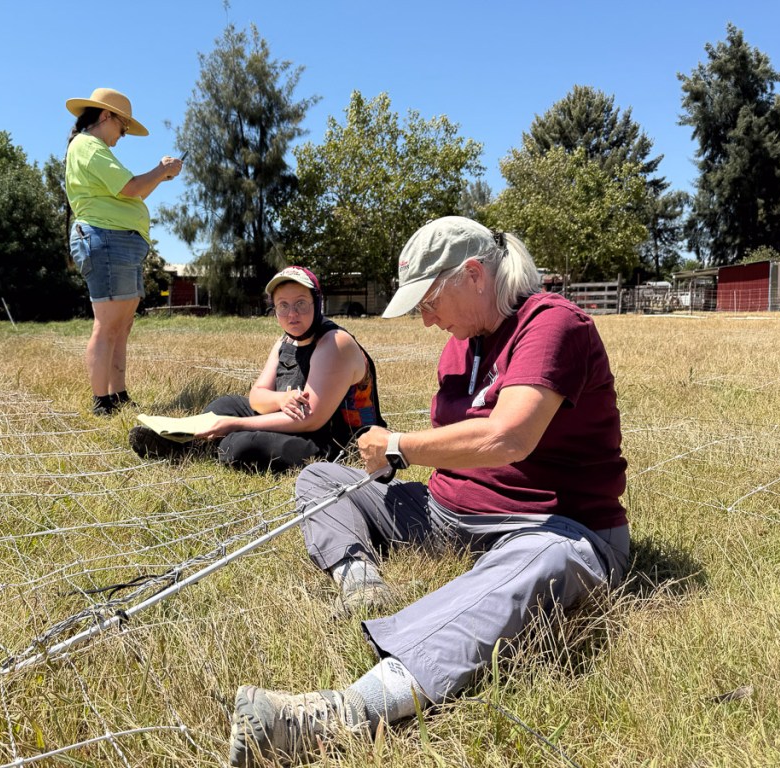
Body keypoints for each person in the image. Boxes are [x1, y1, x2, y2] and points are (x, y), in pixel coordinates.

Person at [227, 217, 630, 767]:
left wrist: (400, 447)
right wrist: (392, 458)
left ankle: (344, 712)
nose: (425, 318)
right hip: (445, 512)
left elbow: (509, 436)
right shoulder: (460, 344)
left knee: (547, 560)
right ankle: (359, 581)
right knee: (323, 477)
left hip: (548, 526)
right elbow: (453, 437)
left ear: (474, 276)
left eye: (429, 300)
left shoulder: (554, 326)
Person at [129, 266, 386, 473]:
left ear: (317, 303)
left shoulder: (334, 343)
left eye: (301, 303)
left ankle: (196, 446)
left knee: (245, 445)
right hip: (296, 423)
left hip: (336, 442)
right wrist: (281, 398)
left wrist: (236, 425)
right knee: (225, 404)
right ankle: (192, 440)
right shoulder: (286, 340)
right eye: (282, 305)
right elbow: (257, 396)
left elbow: (312, 419)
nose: (292, 314)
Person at [65, 87, 183, 416]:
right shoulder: (88, 145)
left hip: (120, 241)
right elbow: (131, 188)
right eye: (123, 126)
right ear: (106, 116)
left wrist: (161, 174)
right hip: (106, 239)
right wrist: (162, 169)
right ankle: (102, 401)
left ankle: (117, 395)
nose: (123, 134)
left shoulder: (94, 148)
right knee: (108, 325)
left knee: (121, 325)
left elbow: (131, 192)